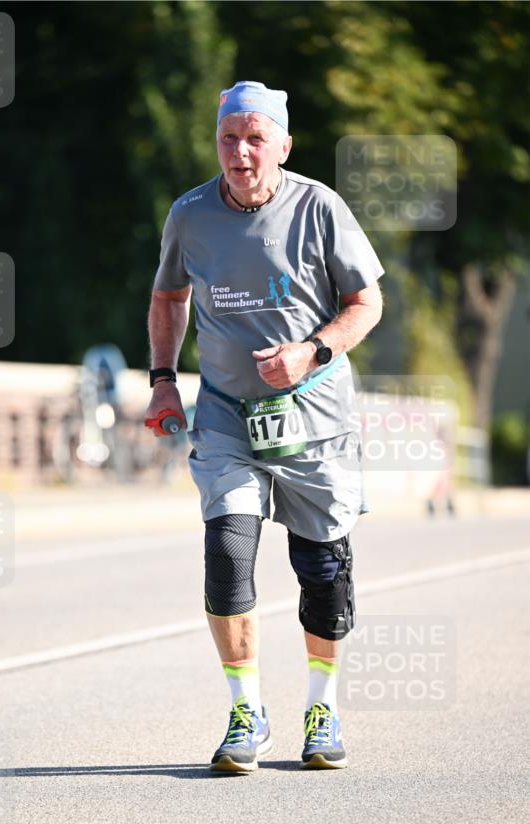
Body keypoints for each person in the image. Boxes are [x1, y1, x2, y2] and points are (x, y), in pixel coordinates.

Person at [145, 81, 384, 774]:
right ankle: (245, 713)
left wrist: (312, 351)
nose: (241, 153)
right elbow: (167, 296)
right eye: (229, 138)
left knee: (324, 571)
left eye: (255, 139)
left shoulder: (319, 208)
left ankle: (322, 706)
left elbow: (365, 303)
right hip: (226, 414)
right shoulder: (190, 214)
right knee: (226, 553)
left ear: (281, 143)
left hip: (314, 418)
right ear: (215, 141)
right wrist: (163, 379)